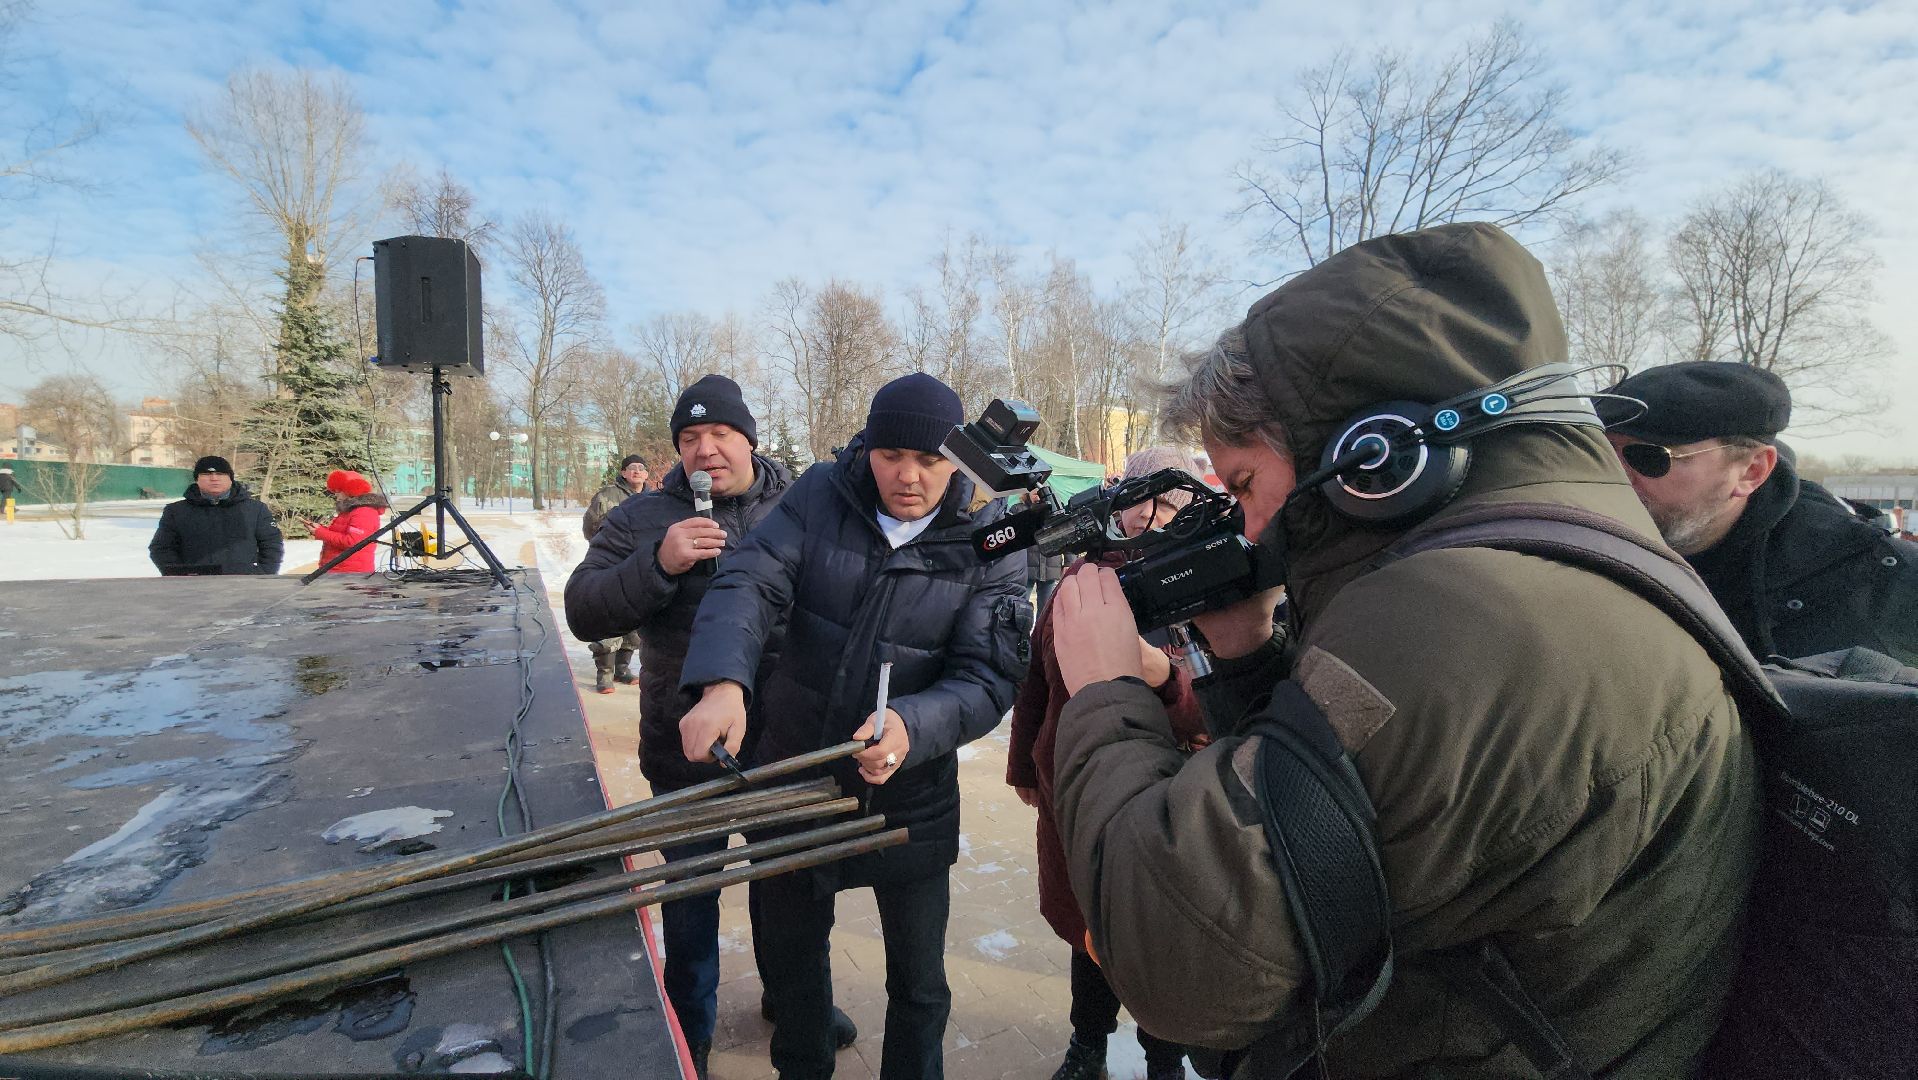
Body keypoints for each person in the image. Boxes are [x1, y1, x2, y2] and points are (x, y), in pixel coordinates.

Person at [1045, 223, 1758, 1076]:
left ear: (1371, 457)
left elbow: (1182, 958)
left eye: (1243, 485)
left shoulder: (1469, 616)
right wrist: (1247, 655)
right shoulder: (1525, 568)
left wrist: (1103, 690)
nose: (1252, 525)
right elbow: (1325, 815)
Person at [677, 372, 1031, 1080]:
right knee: (795, 967)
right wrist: (723, 681)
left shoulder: (995, 532)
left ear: (958, 459)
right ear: (866, 447)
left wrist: (910, 725)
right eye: (890, 455)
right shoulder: (820, 494)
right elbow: (749, 579)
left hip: (912, 797)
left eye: (930, 460)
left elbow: (988, 675)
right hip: (797, 778)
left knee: (920, 984)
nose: (908, 477)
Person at [564, 376, 837, 1078]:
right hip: (686, 746)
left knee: (792, 888)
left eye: (720, 435)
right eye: (689, 439)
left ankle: (789, 997)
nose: (705, 450)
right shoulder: (644, 517)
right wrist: (658, 563)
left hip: (787, 742)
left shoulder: (802, 504)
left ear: (749, 438)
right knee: (691, 898)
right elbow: (584, 611)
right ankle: (690, 1029)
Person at [1007, 446, 1201, 1080]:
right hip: (1076, 786)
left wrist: (1161, 675)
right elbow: (1036, 681)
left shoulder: (1206, 585)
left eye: (1175, 503)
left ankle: (1163, 1064)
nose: (1160, 517)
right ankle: (1086, 1047)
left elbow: (1221, 704)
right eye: (1148, 503)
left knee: (1156, 942)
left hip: (1169, 795)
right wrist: (1022, 766)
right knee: (1090, 932)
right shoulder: (1083, 582)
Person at [1597, 361, 1918, 664]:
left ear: (1751, 471)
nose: (1616, 475)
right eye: (1602, 453)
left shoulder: (1879, 580)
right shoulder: (1582, 542)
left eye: (1649, 457)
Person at [580, 453, 653, 693]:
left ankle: (623, 668)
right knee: (610, 616)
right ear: (623, 472)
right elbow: (591, 526)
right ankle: (605, 674)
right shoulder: (607, 496)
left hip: (640, 565)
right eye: (632, 468)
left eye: (641, 468)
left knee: (635, 618)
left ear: (646, 474)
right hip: (612, 564)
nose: (637, 471)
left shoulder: (654, 498)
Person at [149, 456, 285, 576]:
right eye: (207, 474)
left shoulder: (256, 510)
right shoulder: (176, 511)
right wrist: (179, 574)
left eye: (220, 474)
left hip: (244, 585)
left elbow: (272, 544)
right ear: (197, 479)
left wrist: (263, 574)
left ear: (230, 478)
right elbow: (161, 548)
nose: (214, 478)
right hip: (193, 588)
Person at [305, 470, 388, 574]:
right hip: (339, 570)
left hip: (350, 573)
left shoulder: (364, 512)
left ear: (350, 490)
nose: (336, 494)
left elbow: (353, 542)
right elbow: (342, 535)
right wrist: (319, 529)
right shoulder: (350, 510)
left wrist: (321, 533)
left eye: (339, 491)